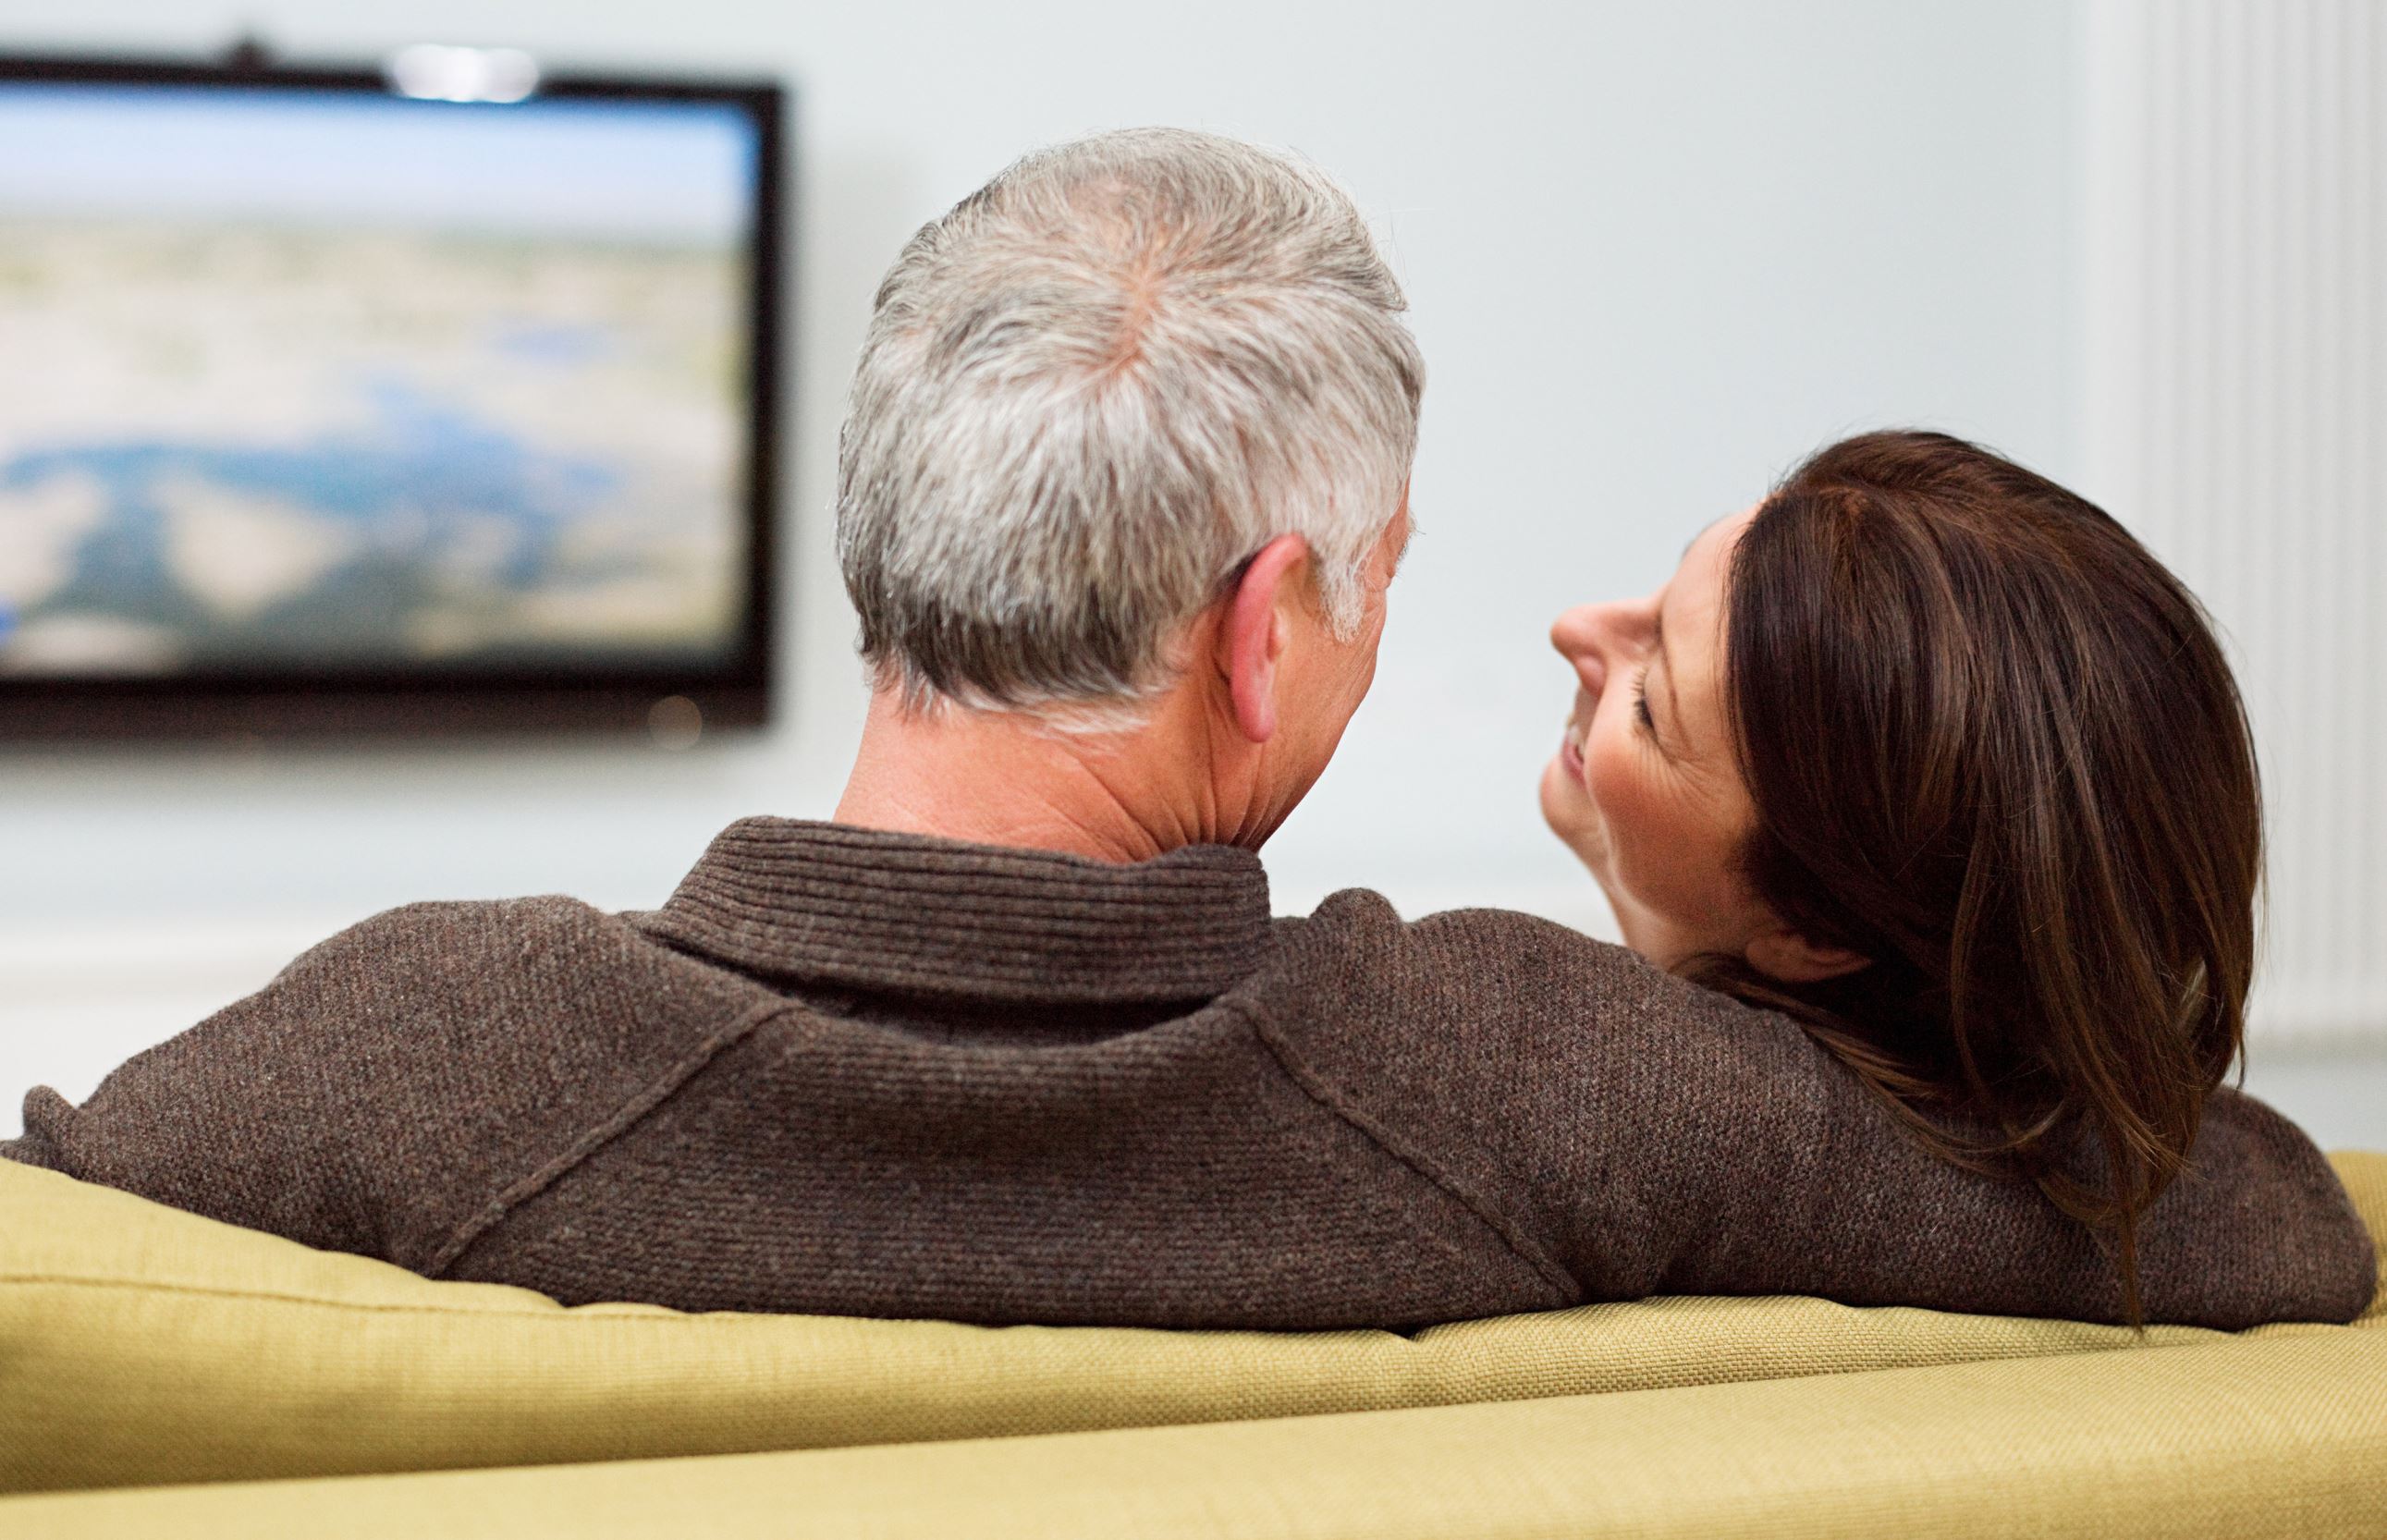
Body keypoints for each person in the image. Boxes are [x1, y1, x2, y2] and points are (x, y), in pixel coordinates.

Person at [3, 131, 2370, 1331]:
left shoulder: (416, 1046)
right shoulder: (1553, 1089)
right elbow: (2236, 1218)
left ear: (870, 531)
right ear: (1265, 639)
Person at [1543, 429, 2321, 1323]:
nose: (1576, 628)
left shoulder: (1530, 1091)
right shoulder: (2255, 1203)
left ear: (1816, 933)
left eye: (1649, 705)